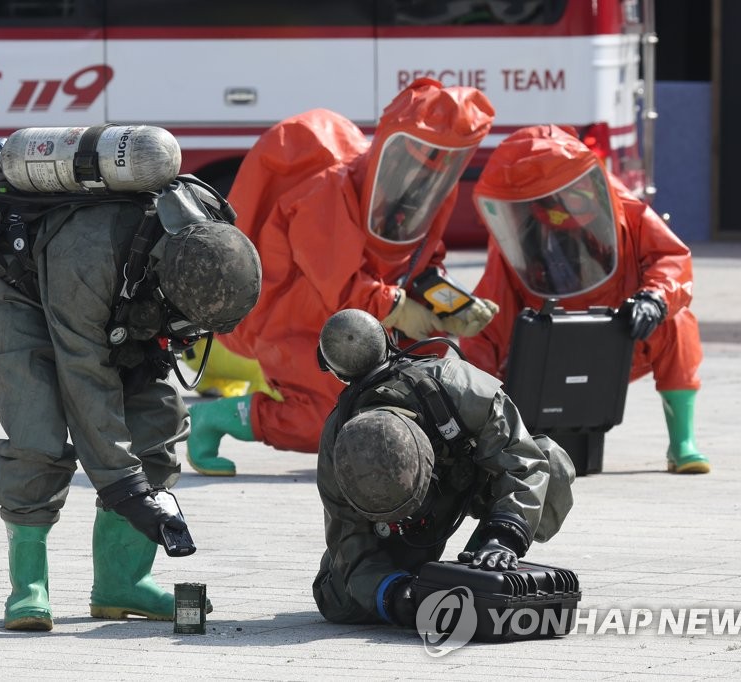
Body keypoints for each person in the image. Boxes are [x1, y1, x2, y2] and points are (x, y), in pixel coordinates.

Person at [0, 126, 262, 631]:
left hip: (124, 298)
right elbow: (86, 383)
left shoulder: (201, 236)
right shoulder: (90, 254)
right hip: (19, 285)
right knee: (37, 429)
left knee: (158, 424)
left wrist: (144, 479)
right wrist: (130, 494)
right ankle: (29, 587)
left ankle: (120, 585)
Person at [186, 78, 500, 476]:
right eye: (422, 151)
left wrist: (448, 300)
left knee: (424, 387)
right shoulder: (326, 193)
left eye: (446, 157)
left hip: (361, 327)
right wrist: (400, 308)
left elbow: (423, 258)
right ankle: (219, 417)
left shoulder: (427, 196)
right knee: (332, 415)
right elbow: (341, 287)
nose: (428, 167)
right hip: (298, 323)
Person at [459, 125, 710, 474]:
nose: (559, 209)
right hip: (548, 349)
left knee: (677, 323)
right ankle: (486, 436)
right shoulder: (519, 234)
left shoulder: (626, 208)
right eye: (547, 200)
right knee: (480, 326)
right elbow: (493, 309)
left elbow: (671, 258)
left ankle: (682, 441)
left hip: (621, 337)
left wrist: (653, 299)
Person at [311, 309, 575, 626]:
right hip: (402, 526)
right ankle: (430, 573)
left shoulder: (458, 388)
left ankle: (482, 558)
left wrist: (504, 535)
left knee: (550, 464)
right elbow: (348, 540)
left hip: (466, 480)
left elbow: (522, 461)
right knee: (342, 602)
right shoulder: (339, 446)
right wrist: (393, 595)